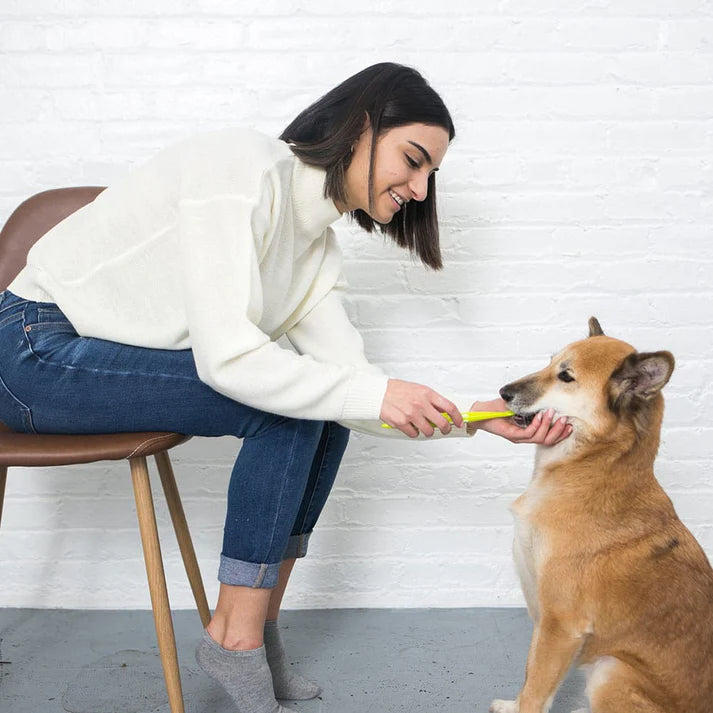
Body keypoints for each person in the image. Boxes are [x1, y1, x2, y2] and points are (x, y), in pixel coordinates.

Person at [0, 62, 571, 712]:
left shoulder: (315, 254)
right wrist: (367, 394)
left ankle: (256, 624)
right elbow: (227, 360)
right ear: (361, 128)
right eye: (412, 161)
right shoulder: (239, 170)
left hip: (95, 356)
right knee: (285, 405)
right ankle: (235, 637)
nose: (418, 188)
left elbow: (354, 390)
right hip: (31, 348)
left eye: (429, 175)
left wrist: (476, 415)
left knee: (322, 405)